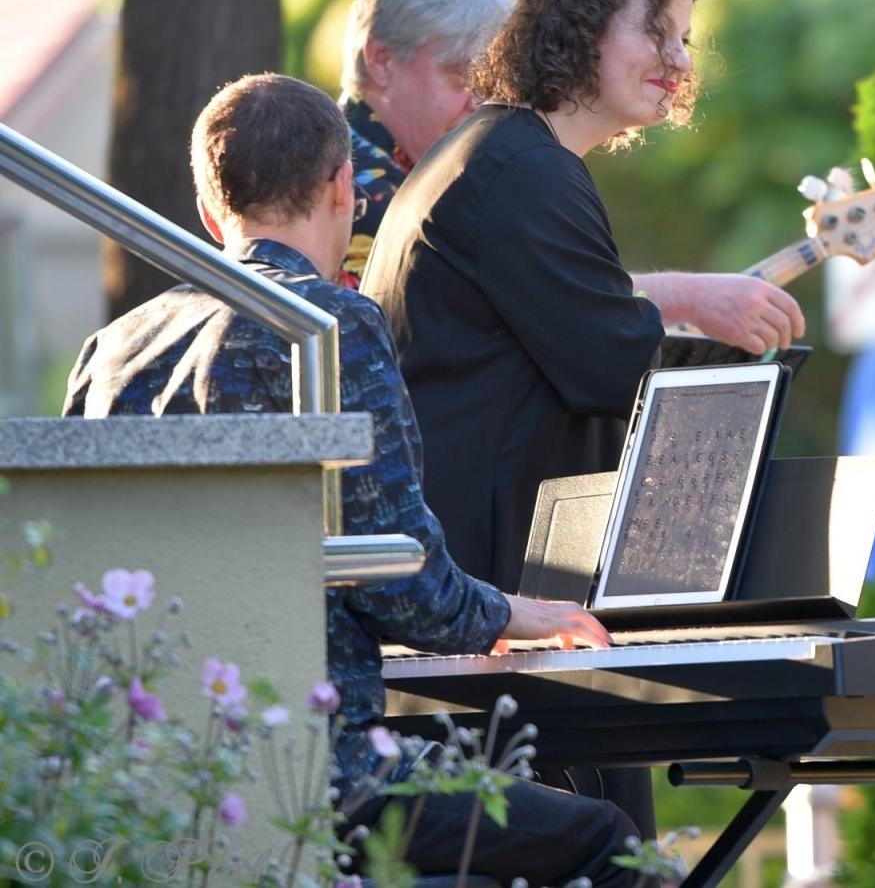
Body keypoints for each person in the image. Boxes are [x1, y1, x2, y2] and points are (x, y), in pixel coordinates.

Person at [63, 73, 642, 887]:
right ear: (344, 187)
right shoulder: (327, 326)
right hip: (315, 771)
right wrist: (518, 612)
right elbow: (404, 583)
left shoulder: (114, 350)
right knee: (609, 842)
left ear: (208, 213)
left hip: (146, 771)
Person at [361, 0, 807, 597]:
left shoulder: (503, 151)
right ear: (581, 28)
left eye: (684, 39)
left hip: (466, 562)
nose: (679, 61)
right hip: (479, 578)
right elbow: (616, 371)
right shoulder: (524, 168)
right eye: (656, 33)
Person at [338, 0, 514, 284]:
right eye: (463, 76)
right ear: (381, 61)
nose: (481, 102)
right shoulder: (349, 196)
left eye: (493, 82)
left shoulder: (423, 177)